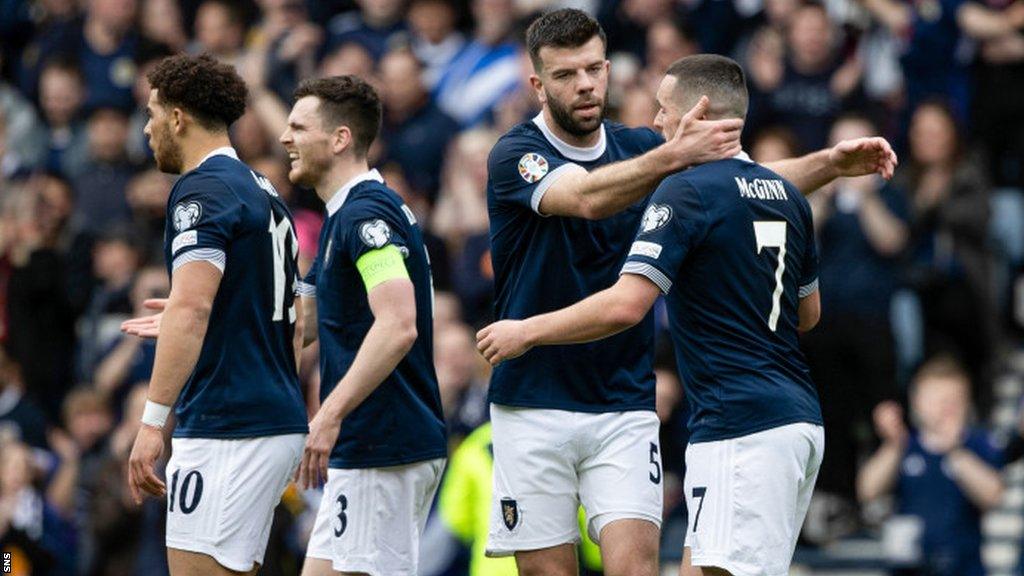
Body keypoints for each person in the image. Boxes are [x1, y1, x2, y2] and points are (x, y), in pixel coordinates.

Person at [478, 9, 896, 576]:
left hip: (622, 400)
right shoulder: (516, 154)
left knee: (638, 569)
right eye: (565, 74)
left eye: (594, 68)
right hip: (533, 397)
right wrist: (673, 154)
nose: (584, 84)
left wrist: (828, 163)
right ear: (537, 84)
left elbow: (731, 184)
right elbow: (586, 198)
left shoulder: (640, 149)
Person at [120, 53, 308, 576]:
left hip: (230, 425)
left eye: (152, 113)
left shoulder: (201, 191)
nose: (147, 128)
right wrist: (197, 316)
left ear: (177, 117)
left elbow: (195, 306)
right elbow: (294, 310)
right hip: (271, 416)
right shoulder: (264, 190)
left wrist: (152, 423)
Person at [279, 75, 447, 576]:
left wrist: (327, 415)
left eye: (298, 127)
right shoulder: (342, 217)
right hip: (367, 448)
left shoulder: (366, 217)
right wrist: (200, 322)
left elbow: (397, 325)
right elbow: (300, 320)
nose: (285, 138)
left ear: (339, 139)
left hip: (384, 446)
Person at [857, 357, 1004, 576]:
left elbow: (993, 495)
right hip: (909, 566)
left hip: (964, 566)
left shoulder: (976, 442)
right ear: (916, 401)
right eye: (937, 399)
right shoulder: (905, 445)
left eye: (953, 400)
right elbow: (867, 490)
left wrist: (955, 451)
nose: (946, 408)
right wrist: (893, 446)